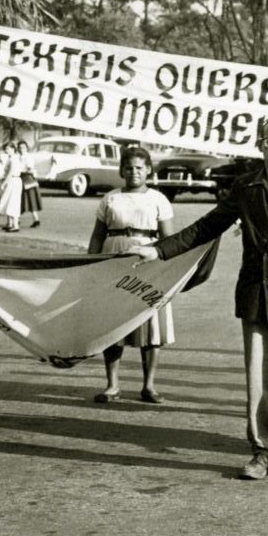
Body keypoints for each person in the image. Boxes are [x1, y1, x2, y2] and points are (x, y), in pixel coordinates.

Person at [130, 117, 268, 486]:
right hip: (256, 293)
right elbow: (207, 226)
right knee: (258, 380)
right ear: (260, 145)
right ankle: (263, 452)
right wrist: (158, 251)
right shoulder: (246, 186)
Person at [88, 147, 175, 403]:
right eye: (128, 167)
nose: (133, 172)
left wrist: (165, 267)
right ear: (121, 170)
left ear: (148, 170)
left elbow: (169, 239)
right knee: (113, 322)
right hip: (114, 259)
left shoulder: (158, 199)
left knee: (150, 322)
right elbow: (97, 236)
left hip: (148, 262)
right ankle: (112, 384)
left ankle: (149, 385)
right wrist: (90, 265)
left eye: (139, 167)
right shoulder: (110, 199)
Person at [0, 141, 22, 232]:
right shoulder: (12, 158)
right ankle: (10, 223)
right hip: (13, 181)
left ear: (13, 149)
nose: (6, 150)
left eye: (8, 148)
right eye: (6, 149)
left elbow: (11, 173)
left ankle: (15, 225)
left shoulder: (14, 159)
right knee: (10, 201)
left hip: (13, 180)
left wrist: (4, 183)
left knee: (13, 202)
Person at [17, 140, 43, 229]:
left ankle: (36, 219)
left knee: (31, 200)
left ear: (26, 148)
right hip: (20, 179)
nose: (21, 149)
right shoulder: (18, 157)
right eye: (20, 148)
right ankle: (17, 219)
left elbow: (30, 168)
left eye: (23, 147)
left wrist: (24, 169)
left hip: (28, 179)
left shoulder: (28, 157)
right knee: (19, 200)